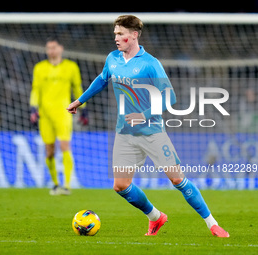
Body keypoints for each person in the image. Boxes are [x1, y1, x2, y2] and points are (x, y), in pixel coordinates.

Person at [67, 15, 229, 237]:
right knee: (120, 186)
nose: (116, 38)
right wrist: (80, 100)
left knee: (177, 179)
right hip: (124, 133)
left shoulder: (151, 63)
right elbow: (102, 79)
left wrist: (143, 115)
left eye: (120, 34)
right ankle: (155, 217)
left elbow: (169, 98)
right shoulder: (113, 58)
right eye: (115, 33)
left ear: (134, 35)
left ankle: (212, 224)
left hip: (152, 132)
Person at [30, 37, 88, 195]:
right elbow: (36, 90)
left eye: (54, 47)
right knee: (49, 150)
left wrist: (84, 108)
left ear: (60, 48)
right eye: (48, 48)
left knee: (64, 146)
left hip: (64, 112)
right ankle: (55, 183)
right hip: (45, 115)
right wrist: (33, 108)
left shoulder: (71, 67)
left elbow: (77, 88)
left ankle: (67, 186)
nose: (51, 51)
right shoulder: (39, 68)